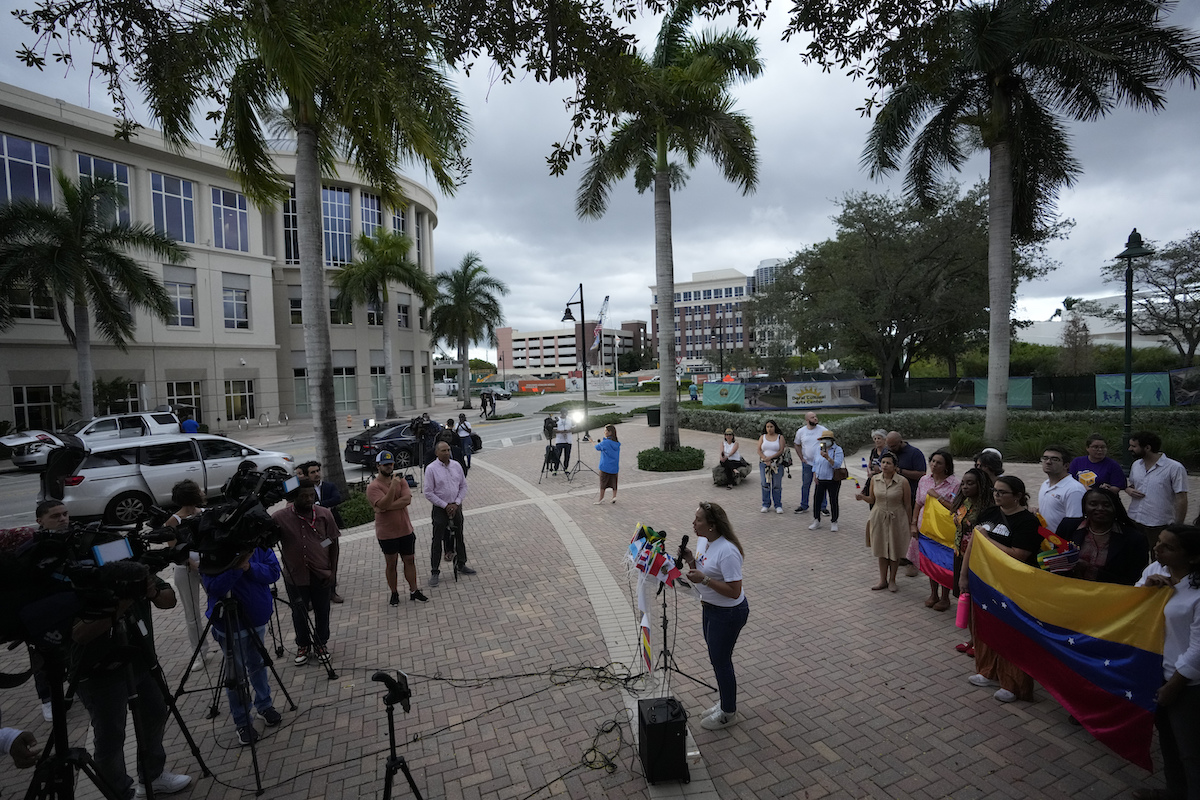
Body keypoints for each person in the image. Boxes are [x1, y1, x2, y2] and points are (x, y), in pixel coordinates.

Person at [71, 564, 192, 794]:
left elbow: (169, 600)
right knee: (111, 737)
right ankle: (120, 792)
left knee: (156, 711)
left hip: (140, 661)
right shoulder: (81, 578)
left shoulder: (133, 569)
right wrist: (121, 605)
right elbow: (79, 634)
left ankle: (152, 776)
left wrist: (151, 592)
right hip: (100, 673)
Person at [960, 475, 1043, 703]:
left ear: (1017, 496)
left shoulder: (1027, 522)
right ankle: (988, 671)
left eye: (1002, 492)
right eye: (995, 491)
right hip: (985, 580)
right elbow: (973, 543)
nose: (997, 495)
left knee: (1012, 632)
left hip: (1013, 585)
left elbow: (1019, 554)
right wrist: (963, 574)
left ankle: (1013, 683)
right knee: (986, 627)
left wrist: (987, 538)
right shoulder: (989, 513)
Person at [1133, 524, 1200, 800]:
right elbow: (1131, 605)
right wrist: (1147, 591)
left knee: (1191, 751)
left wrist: (1174, 684)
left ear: (1193, 558)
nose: (1157, 549)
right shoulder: (1154, 571)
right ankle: (1175, 791)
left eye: (1167, 547)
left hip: (1186, 683)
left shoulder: (1196, 594)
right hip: (1157, 671)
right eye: (1158, 543)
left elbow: (1198, 648)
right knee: (1169, 743)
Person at [200, 546, 284, 746]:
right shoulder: (214, 551)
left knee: (258, 665)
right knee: (236, 676)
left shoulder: (258, 547)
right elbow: (213, 587)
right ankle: (243, 721)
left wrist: (249, 566)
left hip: (256, 619)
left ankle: (265, 705)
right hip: (229, 625)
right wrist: (236, 568)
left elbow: (273, 572)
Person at [678, 501, 748, 731]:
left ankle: (729, 712)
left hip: (727, 614)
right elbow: (705, 569)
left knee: (721, 661)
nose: (693, 523)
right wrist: (690, 560)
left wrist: (705, 580)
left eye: (698, 519)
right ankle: (725, 702)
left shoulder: (727, 551)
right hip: (710, 608)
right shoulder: (707, 543)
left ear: (712, 525)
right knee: (717, 659)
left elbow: (734, 591)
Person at [272, 480, 339, 666]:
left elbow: (332, 543)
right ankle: (303, 645)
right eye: (304, 496)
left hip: (321, 574)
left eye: (312, 495)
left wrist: (332, 571)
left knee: (322, 610)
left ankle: (321, 644)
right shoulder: (279, 518)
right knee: (299, 612)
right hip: (295, 576)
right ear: (294, 497)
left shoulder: (325, 515)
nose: (309, 499)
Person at [942, 468, 995, 656]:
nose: (965, 486)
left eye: (970, 483)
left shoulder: (989, 508)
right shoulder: (963, 502)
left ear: (981, 484)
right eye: (963, 483)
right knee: (966, 598)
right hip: (960, 555)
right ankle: (973, 639)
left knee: (977, 600)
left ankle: (980, 641)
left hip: (977, 559)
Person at [1054, 487, 1149, 586]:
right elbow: (1054, 561)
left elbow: (1136, 579)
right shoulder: (1068, 527)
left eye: (1106, 505)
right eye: (1093, 504)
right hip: (1068, 591)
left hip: (1110, 596)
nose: (1100, 508)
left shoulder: (1134, 539)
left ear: (1115, 508)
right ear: (1084, 507)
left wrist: (1090, 569)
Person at [367, 451, 427, 604]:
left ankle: (414, 590)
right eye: (385, 464)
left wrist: (385, 507)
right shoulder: (373, 487)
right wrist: (393, 488)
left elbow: (406, 500)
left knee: (409, 560)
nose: (389, 467)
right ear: (378, 466)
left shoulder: (402, 481)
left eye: (391, 464)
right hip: (387, 533)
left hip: (405, 529)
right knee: (391, 563)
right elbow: (383, 504)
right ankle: (394, 592)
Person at [163, 480, 210, 671]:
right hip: (186, 569)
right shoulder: (173, 521)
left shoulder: (204, 515)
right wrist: (191, 563)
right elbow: (173, 548)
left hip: (206, 565)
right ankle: (199, 652)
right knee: (192, 614)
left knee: (218, 602)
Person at [911, 449, 961, 611]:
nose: (934, 465)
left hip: (944, 530)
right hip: (926, 527)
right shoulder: (924, 480)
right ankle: (933, 594)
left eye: (938, 462)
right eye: (932, 461)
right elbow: (918, 503)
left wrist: (936, 497)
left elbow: (956, 508)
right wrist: (913, 523)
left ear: (947, 466)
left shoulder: (955, 484)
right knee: (929, 561)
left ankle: (945, 598)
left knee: (944, 563)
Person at [424, 441, 477, 587]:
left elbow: (463, 485)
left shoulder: (456, 465)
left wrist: (457, 502)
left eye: (448, 450)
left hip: (456, 506)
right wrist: (445, 505)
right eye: (443, 450)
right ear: (436, 453)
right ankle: (435, 571)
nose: (447, 453)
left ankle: (461, 563)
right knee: (437, 539)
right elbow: (428, 492)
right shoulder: (431, 469)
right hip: (440, 508)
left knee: (459, 535)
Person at [1126, 430, 1189, 548]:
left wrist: (1178, 526)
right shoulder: (1136, 465)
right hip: (1135, 519)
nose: (1130, 449)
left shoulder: (1174, 468)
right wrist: (1128, 490)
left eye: (1134, 446)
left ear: (1148, 447)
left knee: (1159, 559)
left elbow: (1181, 498)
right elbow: (1132, 486)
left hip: (1158, 522)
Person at [861, 453, 912, 592]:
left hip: (897, 517)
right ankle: (882, 579)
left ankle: (892, 580)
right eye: (883, 462)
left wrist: (910, 523)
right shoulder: (874, 479)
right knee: (881, 549)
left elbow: (907, 504)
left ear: (895, 466)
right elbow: (872, 499)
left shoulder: (903, 482)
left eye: (888, 463)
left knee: (894, 549)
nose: (884, 465)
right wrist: (862, 497)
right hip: (879, 516)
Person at [300, 460, 344, 602]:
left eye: (318, 471)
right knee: (314, 562)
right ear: (307, 475)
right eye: (313, 472)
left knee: (330, 559)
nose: (317, 474)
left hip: (328, 534)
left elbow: (337, 498)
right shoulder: (302, 490)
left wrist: (319, 505)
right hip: (311, 535)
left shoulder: (329, 486)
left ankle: (332, 591)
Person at [886, 431, 927, 576]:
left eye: (893, 446)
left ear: (901, 441)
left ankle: (913, 562)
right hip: (894, 497)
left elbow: (922, 474)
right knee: (898, 527)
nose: (890, 449)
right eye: (889, 446)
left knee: (912, 527)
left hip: (912, 495)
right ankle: (903, 555)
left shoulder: (915, 453)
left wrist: (900, 471)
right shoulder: (889, 452)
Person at [1036, 445, 1086, 534]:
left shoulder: (1074, 490)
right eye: (1045, 458)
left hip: (1061, 544)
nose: (1048, 462)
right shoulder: (1045, 484)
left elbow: (1074, 523)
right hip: (1044, 541)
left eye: (1054, 459)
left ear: (1066, 465)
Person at [792, 411, 829, 514]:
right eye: (812, 417)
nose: (815, 418)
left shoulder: (823, 430)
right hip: (807, 462)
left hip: (820, 463)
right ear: (807, 420)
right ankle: (804, 505)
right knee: (806, 484)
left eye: (816, 416)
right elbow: (797, 444)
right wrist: (801, 458)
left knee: (821, 484)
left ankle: (823, 507)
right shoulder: (801, 431)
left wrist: (824, 454)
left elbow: (827, 443)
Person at [808, 431, 844, 532]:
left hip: (833, 479)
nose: (824, 442)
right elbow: (815, 463)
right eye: (823, 440)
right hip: (820, 478)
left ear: (832, 440)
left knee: (833, 500)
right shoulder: (818, 449)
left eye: (827, 439)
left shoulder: (837, 449)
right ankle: (816, 520)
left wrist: (827, 457)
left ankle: (834, 521)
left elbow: (837, 464)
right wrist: (815, 474)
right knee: (817, 500)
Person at [757, 419, 786, 514]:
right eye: (767, 427)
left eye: (771, 427)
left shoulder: (780, 437)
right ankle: (766, 504)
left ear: (775, 427)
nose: (769, 429)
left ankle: (778, 505)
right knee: (765, 483)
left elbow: (781, 450)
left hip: (777, 464)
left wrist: (771, 458)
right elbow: (759, 450)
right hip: (764, 464)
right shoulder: (763, 437)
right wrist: (765, 459)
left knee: (777, 485)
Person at [594, 424, 621, 504]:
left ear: (610, 432)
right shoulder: (616, 443)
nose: (604, 432)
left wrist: (592, 441)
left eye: (605, 431)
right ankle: (614, 496)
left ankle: (601, 498)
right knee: (614, 482)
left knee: (603, 483)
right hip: (614, 467)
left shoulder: (606, 442)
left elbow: (597, 447)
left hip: (605, 466)